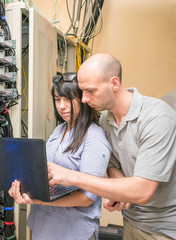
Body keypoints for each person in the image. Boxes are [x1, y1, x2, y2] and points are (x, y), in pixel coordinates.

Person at [47, 53, 176, 239]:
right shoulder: (106, 120)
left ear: (114, 84)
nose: (83, 99)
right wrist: (119, 186)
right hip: (131, 220)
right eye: (82, 91)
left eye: (90, 91)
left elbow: (142, 190)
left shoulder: (157, 118)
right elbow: (113, 164)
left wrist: (71, 176)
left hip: (162, 228)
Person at [8, 73, 111, 240]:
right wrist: (24, 186)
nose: (61, 106)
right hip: (42, 225)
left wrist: (40, 201)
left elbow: (87, 198)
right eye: (57, 99)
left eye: (68, 99)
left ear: (83, 100)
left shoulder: (94, 137)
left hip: (73, 231)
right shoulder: (60, 130)